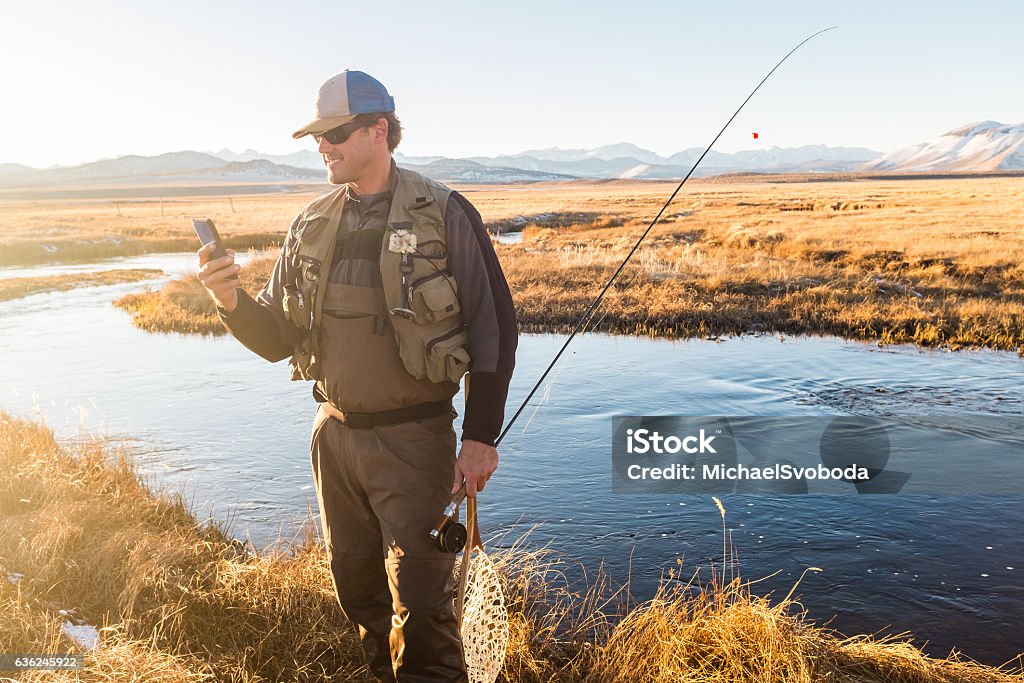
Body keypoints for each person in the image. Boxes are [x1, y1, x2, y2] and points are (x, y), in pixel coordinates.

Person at [197, 69, 518, 683]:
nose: (324, 145)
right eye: (318, 135)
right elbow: (276, 341)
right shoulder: (310, 223)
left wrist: (480, 437)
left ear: (380, 130)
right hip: (333, 439)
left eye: (336, 132)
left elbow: (492, 329)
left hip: (414, 441)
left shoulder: (447, 212)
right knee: (360, 596)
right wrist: (230, 302)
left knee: (424, 610)